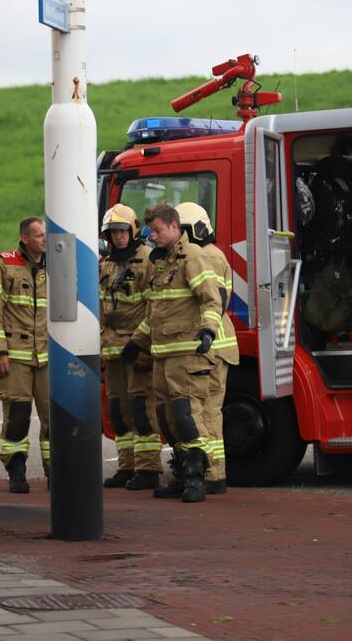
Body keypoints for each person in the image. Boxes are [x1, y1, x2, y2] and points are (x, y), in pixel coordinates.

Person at [122, 203, 224, 503]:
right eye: (150, 232)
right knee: (167, 419)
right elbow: (155, 311)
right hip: (162, 357)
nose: (152, 237)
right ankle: (182, 475)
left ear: (174, 227)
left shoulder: (191, 256)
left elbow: (211, 300)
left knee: (186, 416)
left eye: (157, 231)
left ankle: (197, 478)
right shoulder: (161, 262)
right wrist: (135, 342)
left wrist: (208, 331)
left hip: (187, 355)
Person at [174, 202, 238, 495]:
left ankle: (209, 473)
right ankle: (215, 473)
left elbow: (209, 302)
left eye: (182, 229)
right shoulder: (215, 254)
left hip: (209, 347)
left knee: (202, 411)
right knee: (211, 411)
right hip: (219, 346)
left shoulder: (203, 256)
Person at [0, 216, 49, 492]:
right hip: (16, 354)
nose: (45, 239)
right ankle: (16, 469)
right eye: (39, 235)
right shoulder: (5, 264)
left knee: (53, 417)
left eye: (46, 235)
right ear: (24, 238)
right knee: (18, 415)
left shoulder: (58, 264)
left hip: (47, 357)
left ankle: (55, 471)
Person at [99, 204, 163, 490]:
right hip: (112, 351)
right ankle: (126, 466)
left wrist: (142, 344)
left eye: (123, 231)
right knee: (117, 410)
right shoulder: (107, 264)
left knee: (141, 408)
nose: (118, 238)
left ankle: (148, 469)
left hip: (137, 348)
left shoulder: (148, 259)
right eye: (113, 232)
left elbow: (155, 305)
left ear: (133, 231)